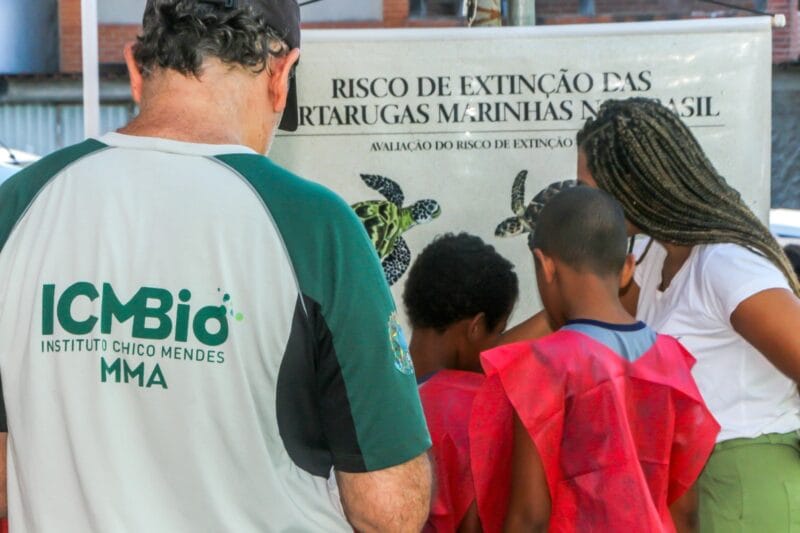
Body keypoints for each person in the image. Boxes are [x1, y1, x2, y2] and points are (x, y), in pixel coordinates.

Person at [0, 1, 432, 531]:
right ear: (281, 74)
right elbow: (389, 509)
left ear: (136, 68)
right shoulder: (314, 226)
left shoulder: (18, 206)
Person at [507, 97, 800, 531]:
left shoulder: (725, 265)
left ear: (634, 186)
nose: (586, 203)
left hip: (745, 482)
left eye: (590, 187)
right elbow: (567, 324)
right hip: (689, 488)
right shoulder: (649, 258)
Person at [480, 186, 719, 532]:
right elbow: (684, 512)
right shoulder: (672, 360)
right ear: (627, 268)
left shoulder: (545, 365)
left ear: (546, 265)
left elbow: (529, 516)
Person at [403, 233, 519, 532]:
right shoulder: (480, 404)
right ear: (476, 326)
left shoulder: (378, 391)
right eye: (499, 332)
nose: (499, 346)